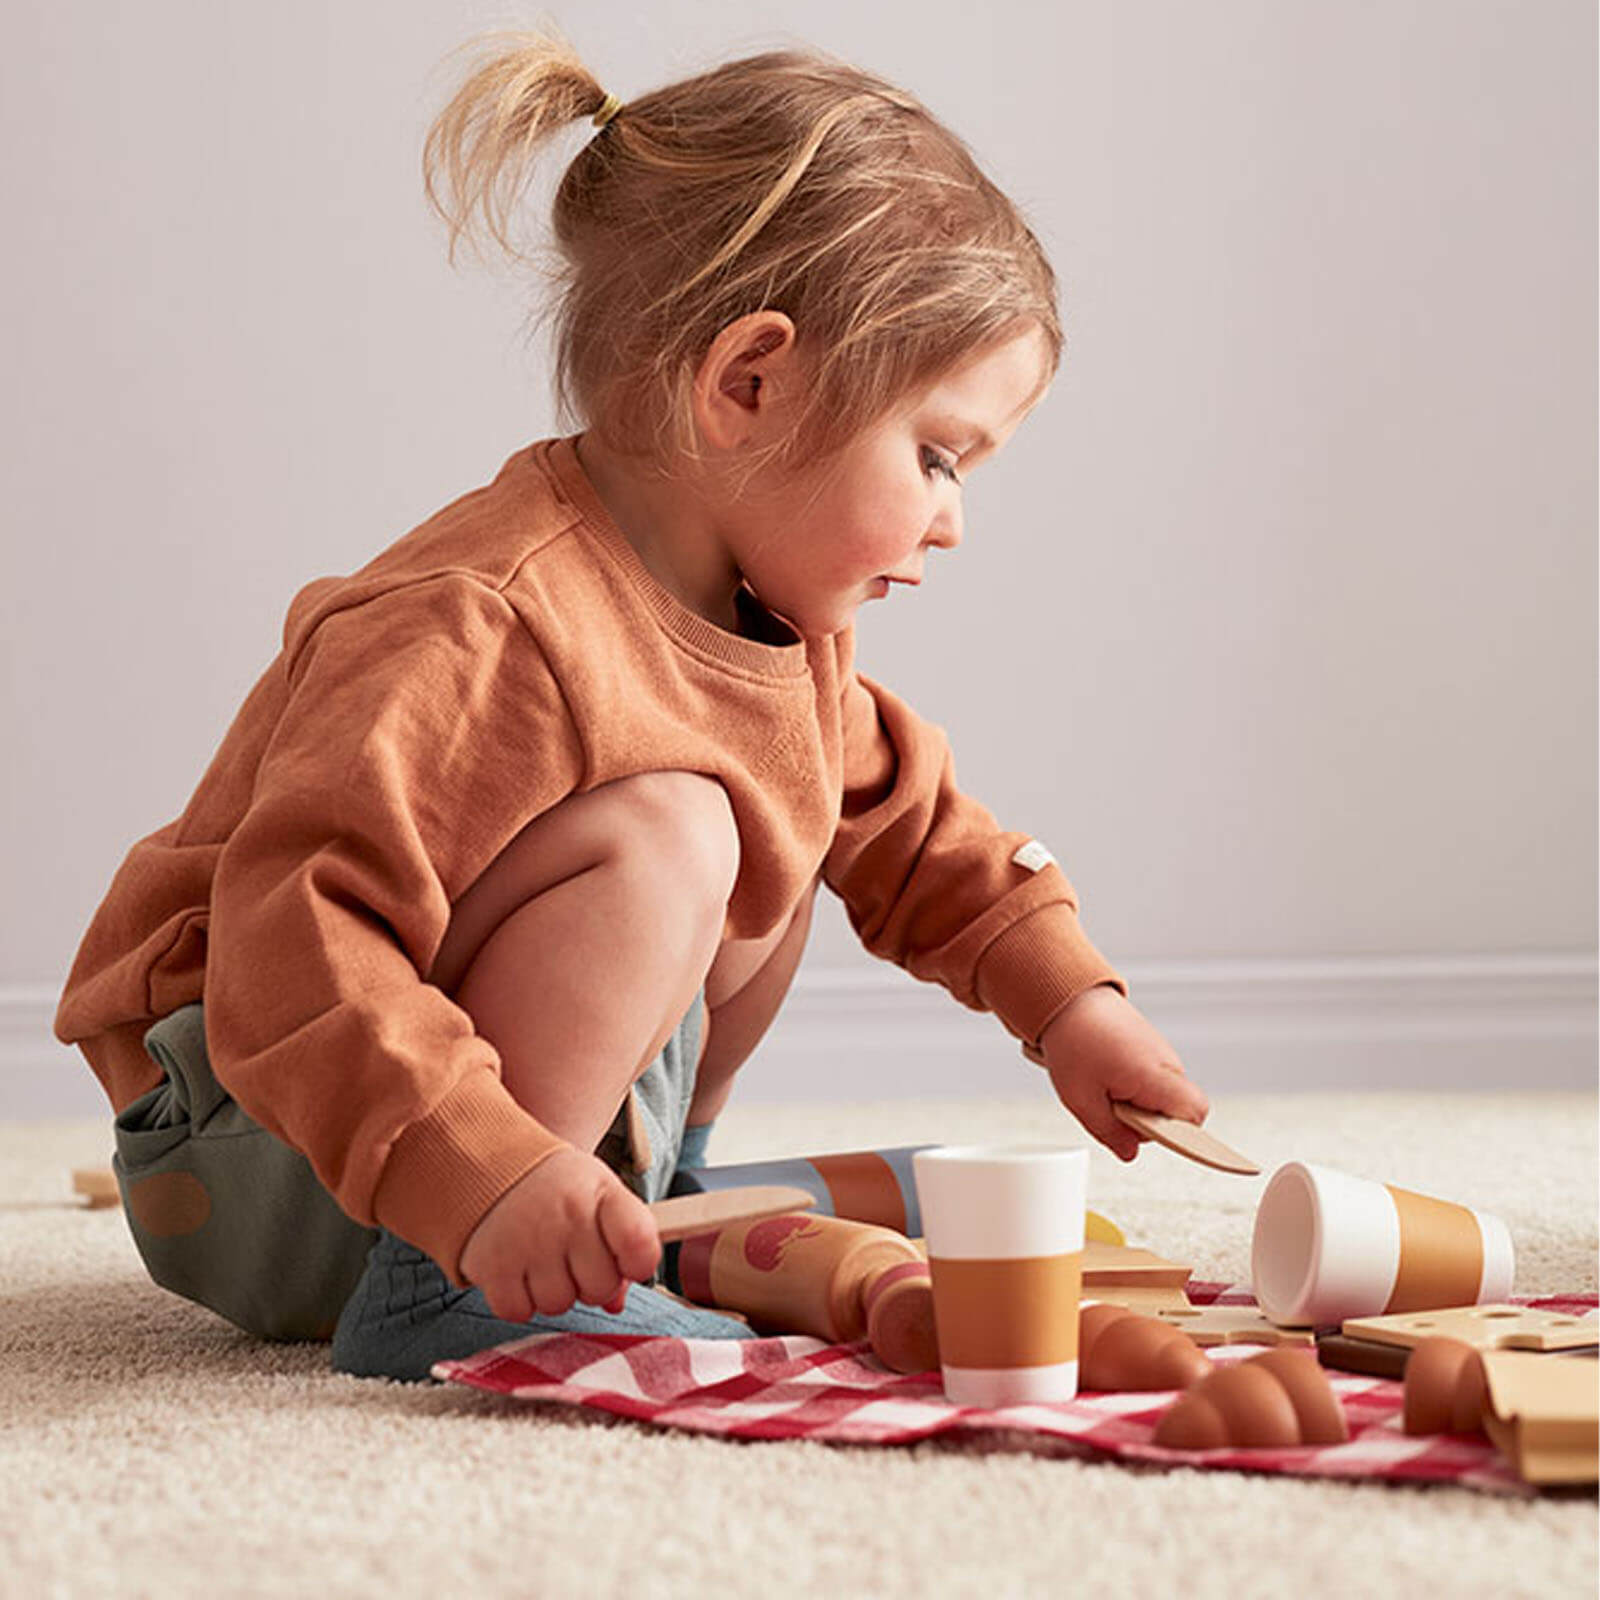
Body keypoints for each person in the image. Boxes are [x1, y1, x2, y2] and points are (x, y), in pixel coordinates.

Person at [54, 30, 1210, 1381]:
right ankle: (449, 1283)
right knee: (677, 831)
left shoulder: (768, 625)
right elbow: (293, 949)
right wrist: (475, 1177)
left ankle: (640, 1202)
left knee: (784, 800)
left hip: (417, 1104)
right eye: (939, 456)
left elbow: (912, 825)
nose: (953, 524)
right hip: (276, 1121)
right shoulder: (483, 619)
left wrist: (1068, 1006)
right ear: (749, 385)